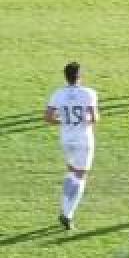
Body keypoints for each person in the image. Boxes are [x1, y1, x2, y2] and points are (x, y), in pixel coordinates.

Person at [43, 62, 99, 230]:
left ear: (66, 76)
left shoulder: (57, 94)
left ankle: (64, 206)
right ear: (80, 76)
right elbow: (95, 118)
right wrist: (83, 120)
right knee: (81, 176)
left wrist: (65, 121)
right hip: (83, 140)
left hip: (66, 139)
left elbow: (48, 117)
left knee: (71, 172)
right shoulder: (89, 93)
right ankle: (67, 214)